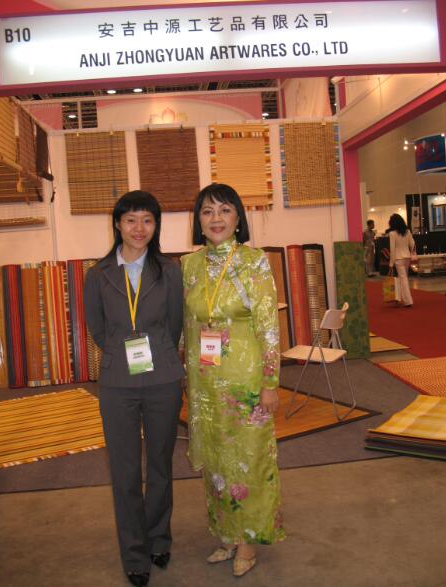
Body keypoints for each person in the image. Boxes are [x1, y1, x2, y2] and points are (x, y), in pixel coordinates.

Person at [181, 183, 286, 578]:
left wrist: (270, 382)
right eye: (207, 211)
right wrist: (184, 376)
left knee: (249, 461)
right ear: (198, 220)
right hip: (206, 385)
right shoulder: (189, 266)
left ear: (238, 218)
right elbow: (187, 326)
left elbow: (268, 326)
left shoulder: (254, 262)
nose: (216, 219)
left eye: (224, 210)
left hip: (245, 385)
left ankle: (248, 541)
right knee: (216, 463)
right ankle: (226, 533)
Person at [84, 190, 184, 587]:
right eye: (130, 220)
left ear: (156, 225)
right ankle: (135, 554)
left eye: (147, 220)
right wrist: (123, 354)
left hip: (163, 379)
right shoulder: (98, 274)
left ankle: (159, 539)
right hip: (118, 384)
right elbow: (97, 328)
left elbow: (174, 324)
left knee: (160, 465)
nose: (139, 228)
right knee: (124, 471)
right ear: (117, 224)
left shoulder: (169, 271)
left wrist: (157, 352)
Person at [388, 213, 415, 307]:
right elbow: (412, 244)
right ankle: (398, 297)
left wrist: (391, 263)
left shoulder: (392, 234)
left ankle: (408, 301)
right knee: (402, 277)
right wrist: (410, 252)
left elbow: (392, 249)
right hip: (407, 257)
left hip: (398, 258)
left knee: (403, 279)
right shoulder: (407, 231)